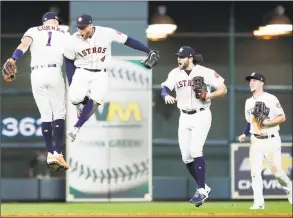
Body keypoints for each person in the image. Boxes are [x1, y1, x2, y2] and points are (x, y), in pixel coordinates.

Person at [64, 13, 160, 143]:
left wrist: (148, 51)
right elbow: (69, 61)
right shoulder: (72, 40)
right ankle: (84, 101)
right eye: (78, 27)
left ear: (91, 26)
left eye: (83, 27)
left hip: (101, 73)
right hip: (82, 72)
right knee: (74, 98)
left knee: (96, 100)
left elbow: (128, 40)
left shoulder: (106, 33)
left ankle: (76, 128)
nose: (80, 30)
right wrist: (72, 83)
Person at [2, 12, 70, 171]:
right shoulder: (64, 32)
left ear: (43, 21)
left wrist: (13, 59)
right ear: (56, 21)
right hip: (54, 72)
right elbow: (73, 54)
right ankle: (58, 153)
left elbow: (23, 46)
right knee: (58, 114)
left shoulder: (33, 30)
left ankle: (49, 153)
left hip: (36, 74)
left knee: (45, 115)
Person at [160, 46, 227, 207]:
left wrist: (208, 95)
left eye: (182, 57)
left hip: (201, 114)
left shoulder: (205, 72)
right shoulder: (174, 73)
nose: (178, 59)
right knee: (186, 156)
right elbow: (165, 88)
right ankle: (203, 186)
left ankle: (201, 189)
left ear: (190, 58)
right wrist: (166, 95)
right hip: (184, 116)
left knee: (196, 150)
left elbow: (223, 89)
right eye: (178, 56)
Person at [238, 72, 292, 209]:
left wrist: (268, 123)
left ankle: (290, 189)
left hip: (271, 139)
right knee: (255, 172)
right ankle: (259, 202)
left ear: (262, 83)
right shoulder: (248, 102)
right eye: (250, 80)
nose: (251, 82)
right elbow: (249, 121)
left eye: (254, 80)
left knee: (277, 171)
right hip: (255, 140)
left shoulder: (271, 98)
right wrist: (245, 134)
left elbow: (282, 117)